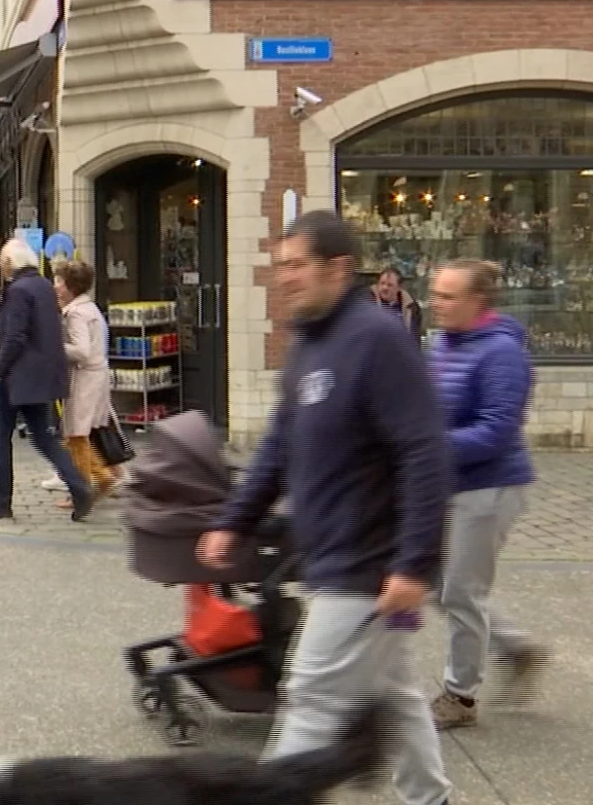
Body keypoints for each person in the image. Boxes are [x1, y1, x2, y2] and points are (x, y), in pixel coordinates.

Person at [199, 211, 453, 805]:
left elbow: (426, 451)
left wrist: (415, 562)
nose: (283, 277)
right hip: (330, 555)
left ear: (338, 269)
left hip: (367, 563)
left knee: (311, 698)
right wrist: (235, 520)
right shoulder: (309, 344)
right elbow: (279, 446)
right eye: (279, 265)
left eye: (295, 265)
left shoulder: (377, 340)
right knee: (391, 695)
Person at [426, 258, 549, 728]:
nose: (436, 303)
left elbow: (496, 431)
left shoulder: (502, 354)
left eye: (447, 296)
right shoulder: (443, 343)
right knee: (438, 584)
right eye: (435, 293)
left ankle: (460, 697)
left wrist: (427, 446)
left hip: (488, 489)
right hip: (449, 484)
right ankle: (516, 647)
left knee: (461, 592)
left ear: (478, 302)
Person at [0, 238, 93, 522]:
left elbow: (15, 337)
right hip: (40, 376)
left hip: (15, 376)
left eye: (1, 262)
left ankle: (0, 500)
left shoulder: (18, 290)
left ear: (10, 263)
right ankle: (79, 486)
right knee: (43, 437)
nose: (0, 268)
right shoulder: (44, 287)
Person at [54, 258, 118, 506]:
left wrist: (55, 346)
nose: (55, 286)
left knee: (76, 434)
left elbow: (80, 351)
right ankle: (87, 485)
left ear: (71, 285)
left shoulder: (76, 314)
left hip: (84, 377)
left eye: (59, 281)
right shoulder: (90, 308)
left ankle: (91, 483)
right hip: (96, 376)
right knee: (80, 433)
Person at [372, 267, 424, 341]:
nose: (385, 288)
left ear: (399, 287)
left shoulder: (411, 307)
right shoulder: (368, 301)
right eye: (382, 283)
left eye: (390, 285)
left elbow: (414, 338)